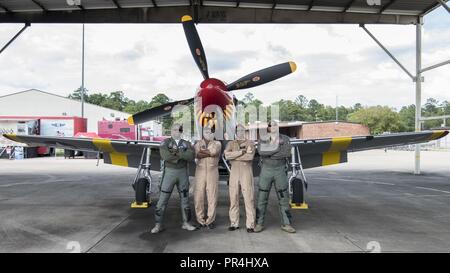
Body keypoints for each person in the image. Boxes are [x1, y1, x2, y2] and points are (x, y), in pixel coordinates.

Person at [150, 123, 197, 234]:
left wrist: (176, 153)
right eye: (175, 130)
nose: (177, 132)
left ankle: (186, 223)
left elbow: (191, 156)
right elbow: (165, 156)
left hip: (183, 173)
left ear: (181, 131)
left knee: (185, 200)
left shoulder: (186, 143)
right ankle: (158, 225)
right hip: (169, 173)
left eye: (179, 130)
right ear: (171, 131)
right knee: (162, 200)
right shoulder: (165, 142)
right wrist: (182, 154)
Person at [255, 120, 296, 233]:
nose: (272, 126)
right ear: (267, 128)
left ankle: (286, 224)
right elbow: (261, 152)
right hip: (266, 170)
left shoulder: (286, 138)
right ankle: (259, 223)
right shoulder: (263, 138)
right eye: (270, 125)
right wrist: (277, 147)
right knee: (262, 198)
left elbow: (287, 153)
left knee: (284, 198)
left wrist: (270, 151)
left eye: (274, 125)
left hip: (280, 170)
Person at [224, 124, 256, 232]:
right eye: (238, 130)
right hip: (234, 172)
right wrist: (242, 152)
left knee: (248, 198)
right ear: (236, 131)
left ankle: (250, 225)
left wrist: (234, 155)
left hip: (246, 171)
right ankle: (234, 223)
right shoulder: (230, 143)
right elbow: (227, 155)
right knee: (233, 197)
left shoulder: (250, 143)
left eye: (242, 130)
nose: (240, 132)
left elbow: (249, 157)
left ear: (244, 131)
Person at [193, 125, 222, 229]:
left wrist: (205, 152)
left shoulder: (217, 143)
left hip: (212, 172)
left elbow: (213, 152)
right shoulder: (198, 143)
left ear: (213, 133)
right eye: (206, 132)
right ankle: (200, 220)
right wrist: (207, 153)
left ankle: (210, 221)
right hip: (200, 172)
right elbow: (197, 155)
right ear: (202, 133)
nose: (208, 133)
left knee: (212, 196)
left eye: (210, 132)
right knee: (198, 196)